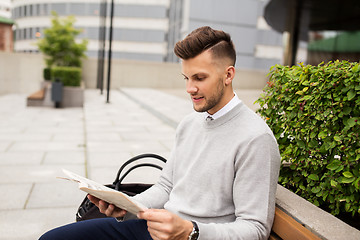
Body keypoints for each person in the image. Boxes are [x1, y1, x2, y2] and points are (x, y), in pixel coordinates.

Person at [39, 26, 280, 240]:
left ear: (228, 75)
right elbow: (166, 186)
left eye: (199, 78)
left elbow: (255, 229)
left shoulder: (256, 139)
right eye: (186, 77)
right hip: (153, 229)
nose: (189, 88)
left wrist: (191, 231)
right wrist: (128, 206)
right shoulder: (190, 123)